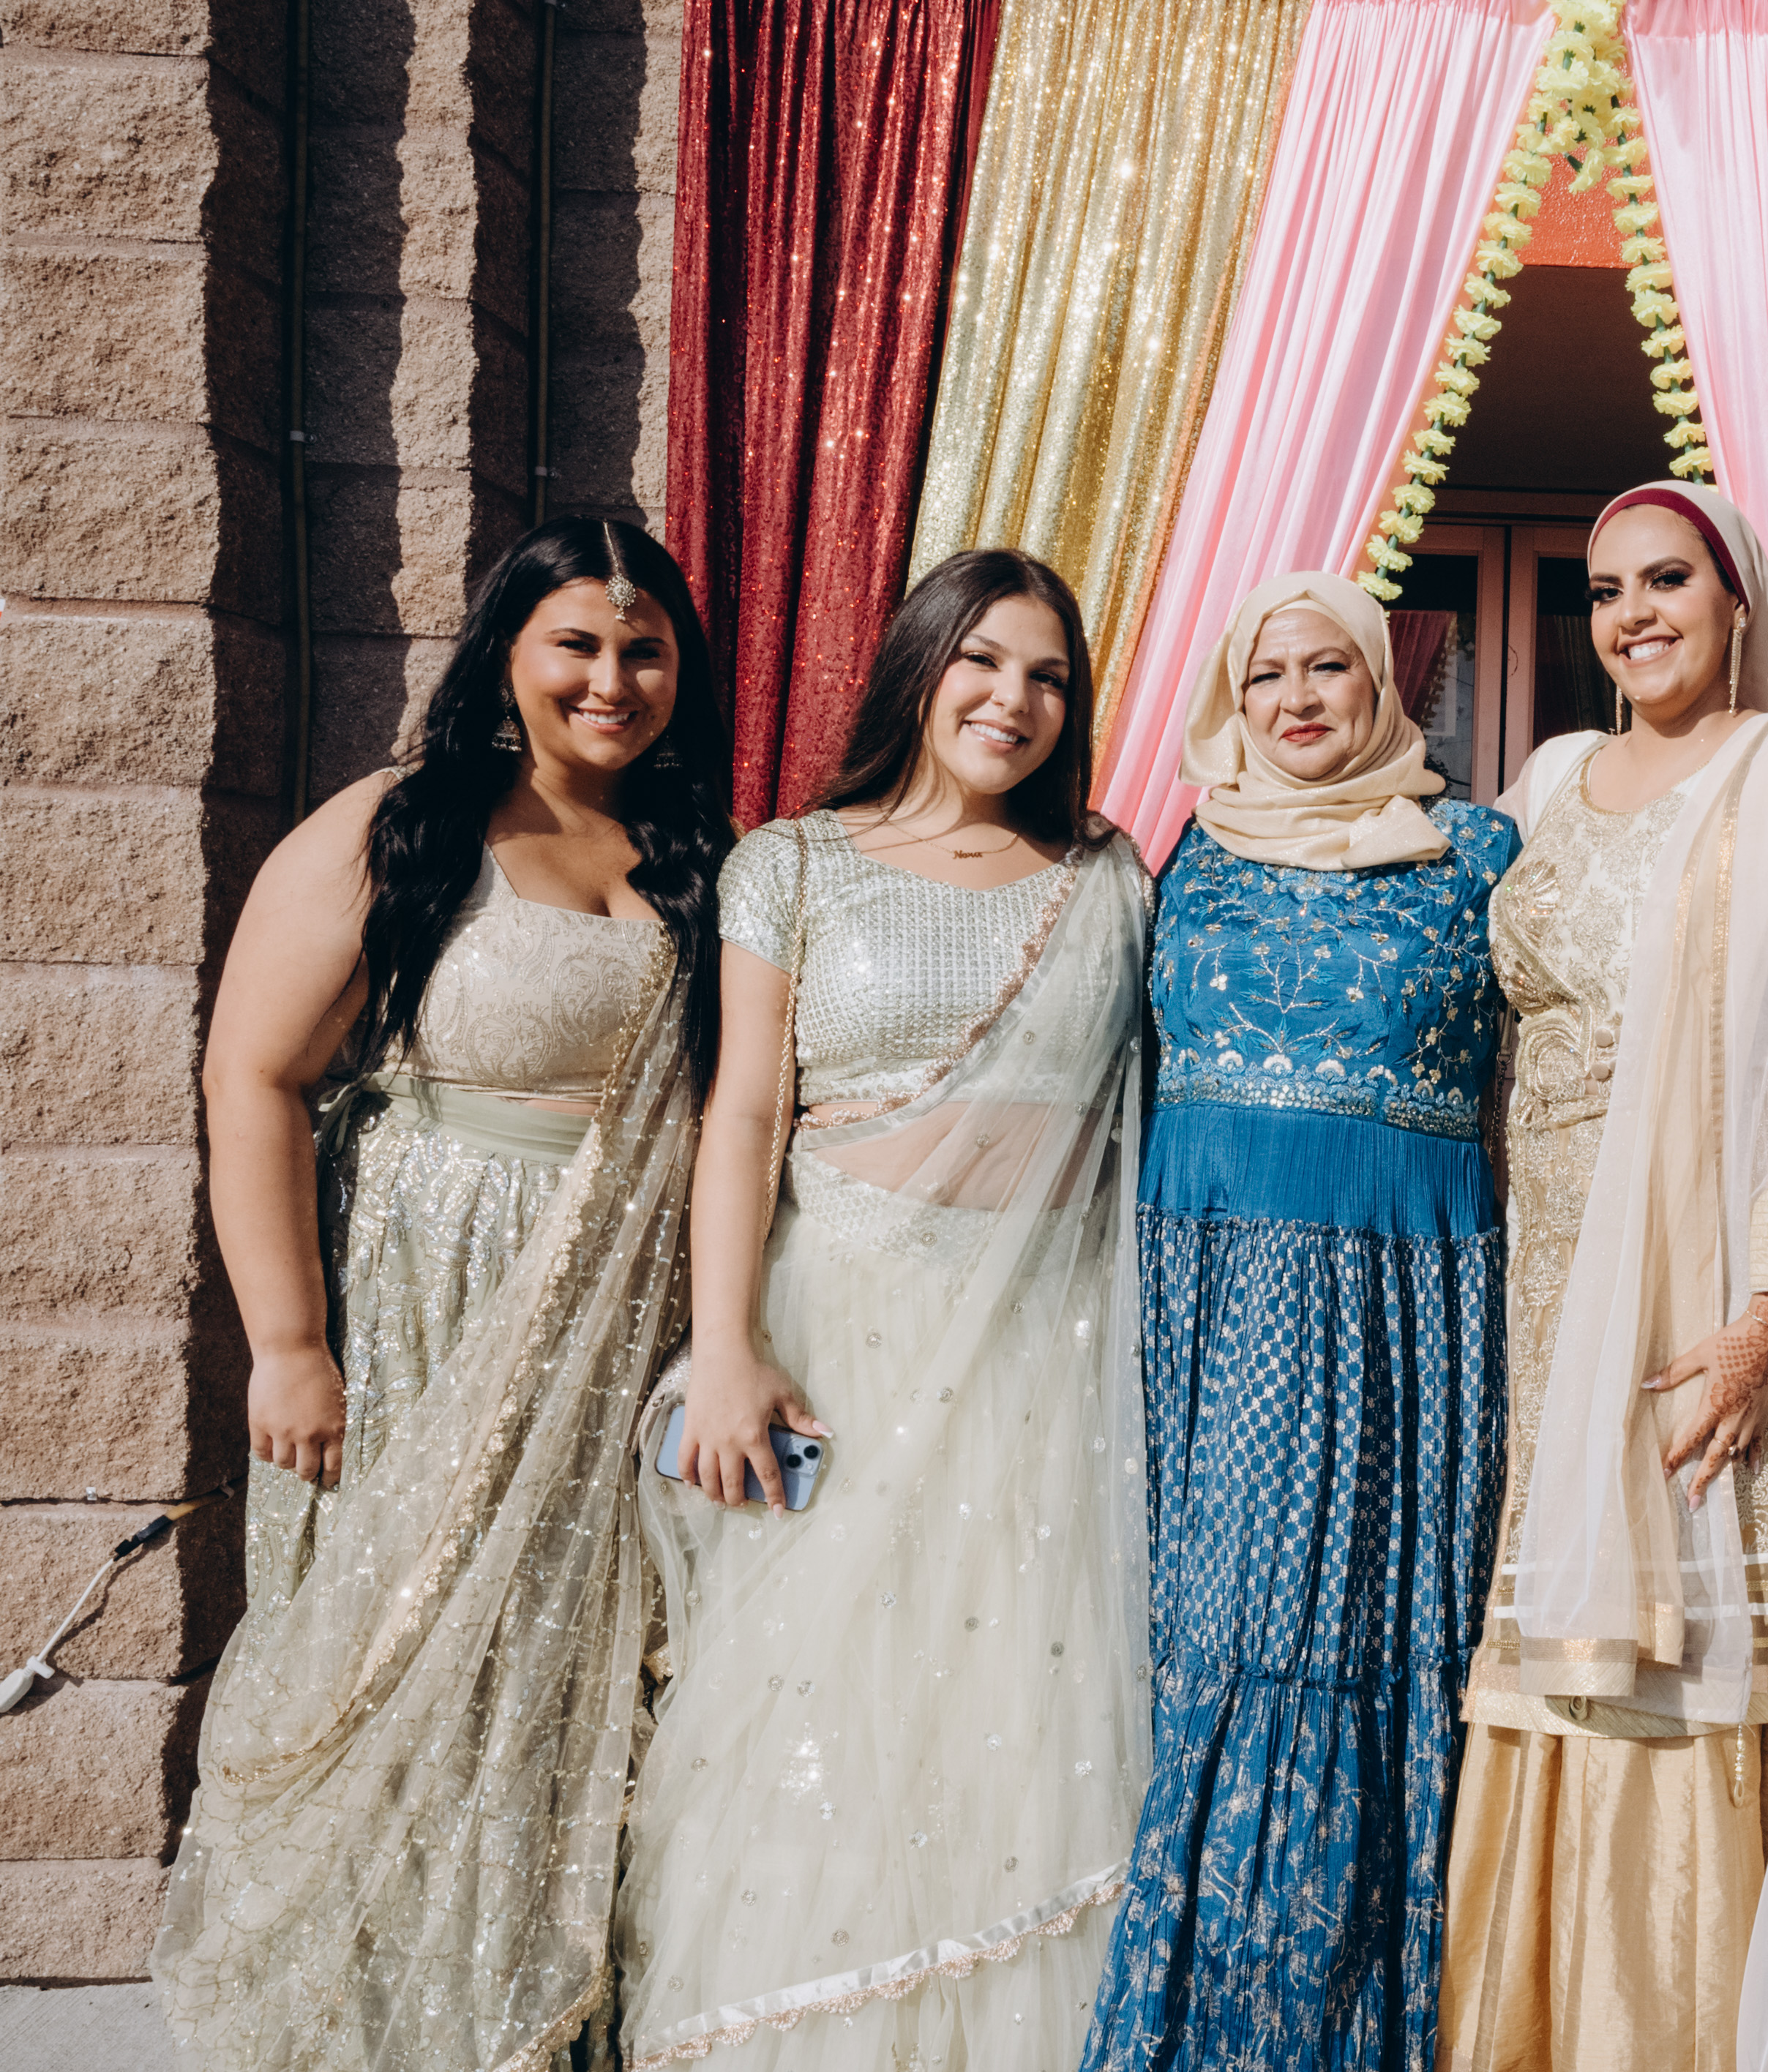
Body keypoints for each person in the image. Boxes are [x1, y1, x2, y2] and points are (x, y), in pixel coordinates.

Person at [154, 518, 734, 2071]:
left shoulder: (704, 855)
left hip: (621, 1335)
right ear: (507, 652)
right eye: (577, 644)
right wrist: (288, 1344)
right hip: (427, 1308)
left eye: (646, 651)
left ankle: (534, 2016)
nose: (612, 680)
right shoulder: (404, 825)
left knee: (566, 1660)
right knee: (398, 1650)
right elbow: (252, 1075)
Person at [615, 550, 1151, 2071]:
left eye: (1048, 677)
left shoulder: (1111, 874)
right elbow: (742, 1116)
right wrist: (727, 1348)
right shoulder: (791, 864)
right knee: (819, 1697)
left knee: (1020, 1702)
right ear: (919, 664)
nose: (1012, 700)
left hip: (1049, 1342)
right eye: (982, 660)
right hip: (839, 1328)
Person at [1436, 481, 1768, 2072]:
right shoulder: (1549, 782)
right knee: (1561, 1610)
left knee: (1694, 1598)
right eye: (1604, 590)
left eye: (1666, 581)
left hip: (1707, 1268)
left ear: (1734, 601)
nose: (1633, 615)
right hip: (1542, 1257)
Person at [1082, 572, 1518, 2071]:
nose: (1296, 700)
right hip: (1204, 1308)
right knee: (1220, 1633)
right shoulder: (1181, 854)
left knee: (1352, 1646)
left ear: (1384, 683)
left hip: (1394, 1309)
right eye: (1264, 675)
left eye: (1328, 667)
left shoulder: (1478, 850)